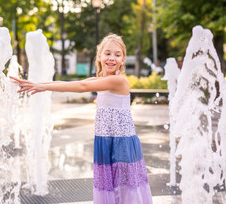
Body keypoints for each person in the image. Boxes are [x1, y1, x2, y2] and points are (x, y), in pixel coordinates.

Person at [10, 34, 152, 204]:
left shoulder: (119, 81)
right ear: (99, 56)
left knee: (124, 189)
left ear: (122, 60)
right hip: (106, 141)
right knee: (110, 188)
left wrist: (43, 86)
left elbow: (82, 87)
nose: (112, 58)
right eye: (107, 53)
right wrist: (40, 85)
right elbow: (77, 83)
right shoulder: (101, 80)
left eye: (117, 54)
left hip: (122, 144)